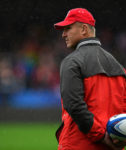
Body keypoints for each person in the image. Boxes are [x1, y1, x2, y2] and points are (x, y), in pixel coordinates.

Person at [54, 8, 126, 150]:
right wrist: (120, 138)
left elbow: (74, 106)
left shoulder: (72, 62)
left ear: (84, 29)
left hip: (77, 144)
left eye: (68, 28)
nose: (63, 34)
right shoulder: (119, 67)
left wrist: (100, 136)